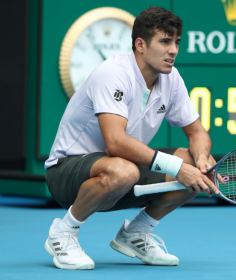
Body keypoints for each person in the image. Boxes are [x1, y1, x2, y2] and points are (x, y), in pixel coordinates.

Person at [44, 6, 222, 270]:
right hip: (66, 173)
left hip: (123, 171)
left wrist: (202, 162)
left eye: (176, 42)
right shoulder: (113, 73)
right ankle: (63, 233)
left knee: (194, 165)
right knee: (126, 170)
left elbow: (196, 132)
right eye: (164, 41)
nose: (173, 50)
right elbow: (114, 143)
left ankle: (136, 233)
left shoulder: (171, 78)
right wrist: (176, 168)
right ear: (140, 44)